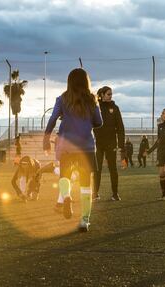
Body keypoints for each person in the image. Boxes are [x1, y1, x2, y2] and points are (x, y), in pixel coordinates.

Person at [43, 68, 102, 232]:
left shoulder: (62, 98)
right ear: (86, 81)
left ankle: (66, 197)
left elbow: (53, 118)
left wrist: (46, 137)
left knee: (64, 177)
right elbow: (99, 122)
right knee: (85, 185)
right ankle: (84, 220)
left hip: (67, 146)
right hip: (86, 147)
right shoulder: (92, 99)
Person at [93, 86, 126, 201]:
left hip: (111, 143)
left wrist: (121, 146)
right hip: (98, 143)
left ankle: (115, 194)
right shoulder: (95, 106)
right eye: (108, 94)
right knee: (97, 169)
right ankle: (95, 193)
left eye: (111, 94)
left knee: (113, 169)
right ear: (101, 95)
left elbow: (121, 128)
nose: (110, 96)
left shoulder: (115, 108)